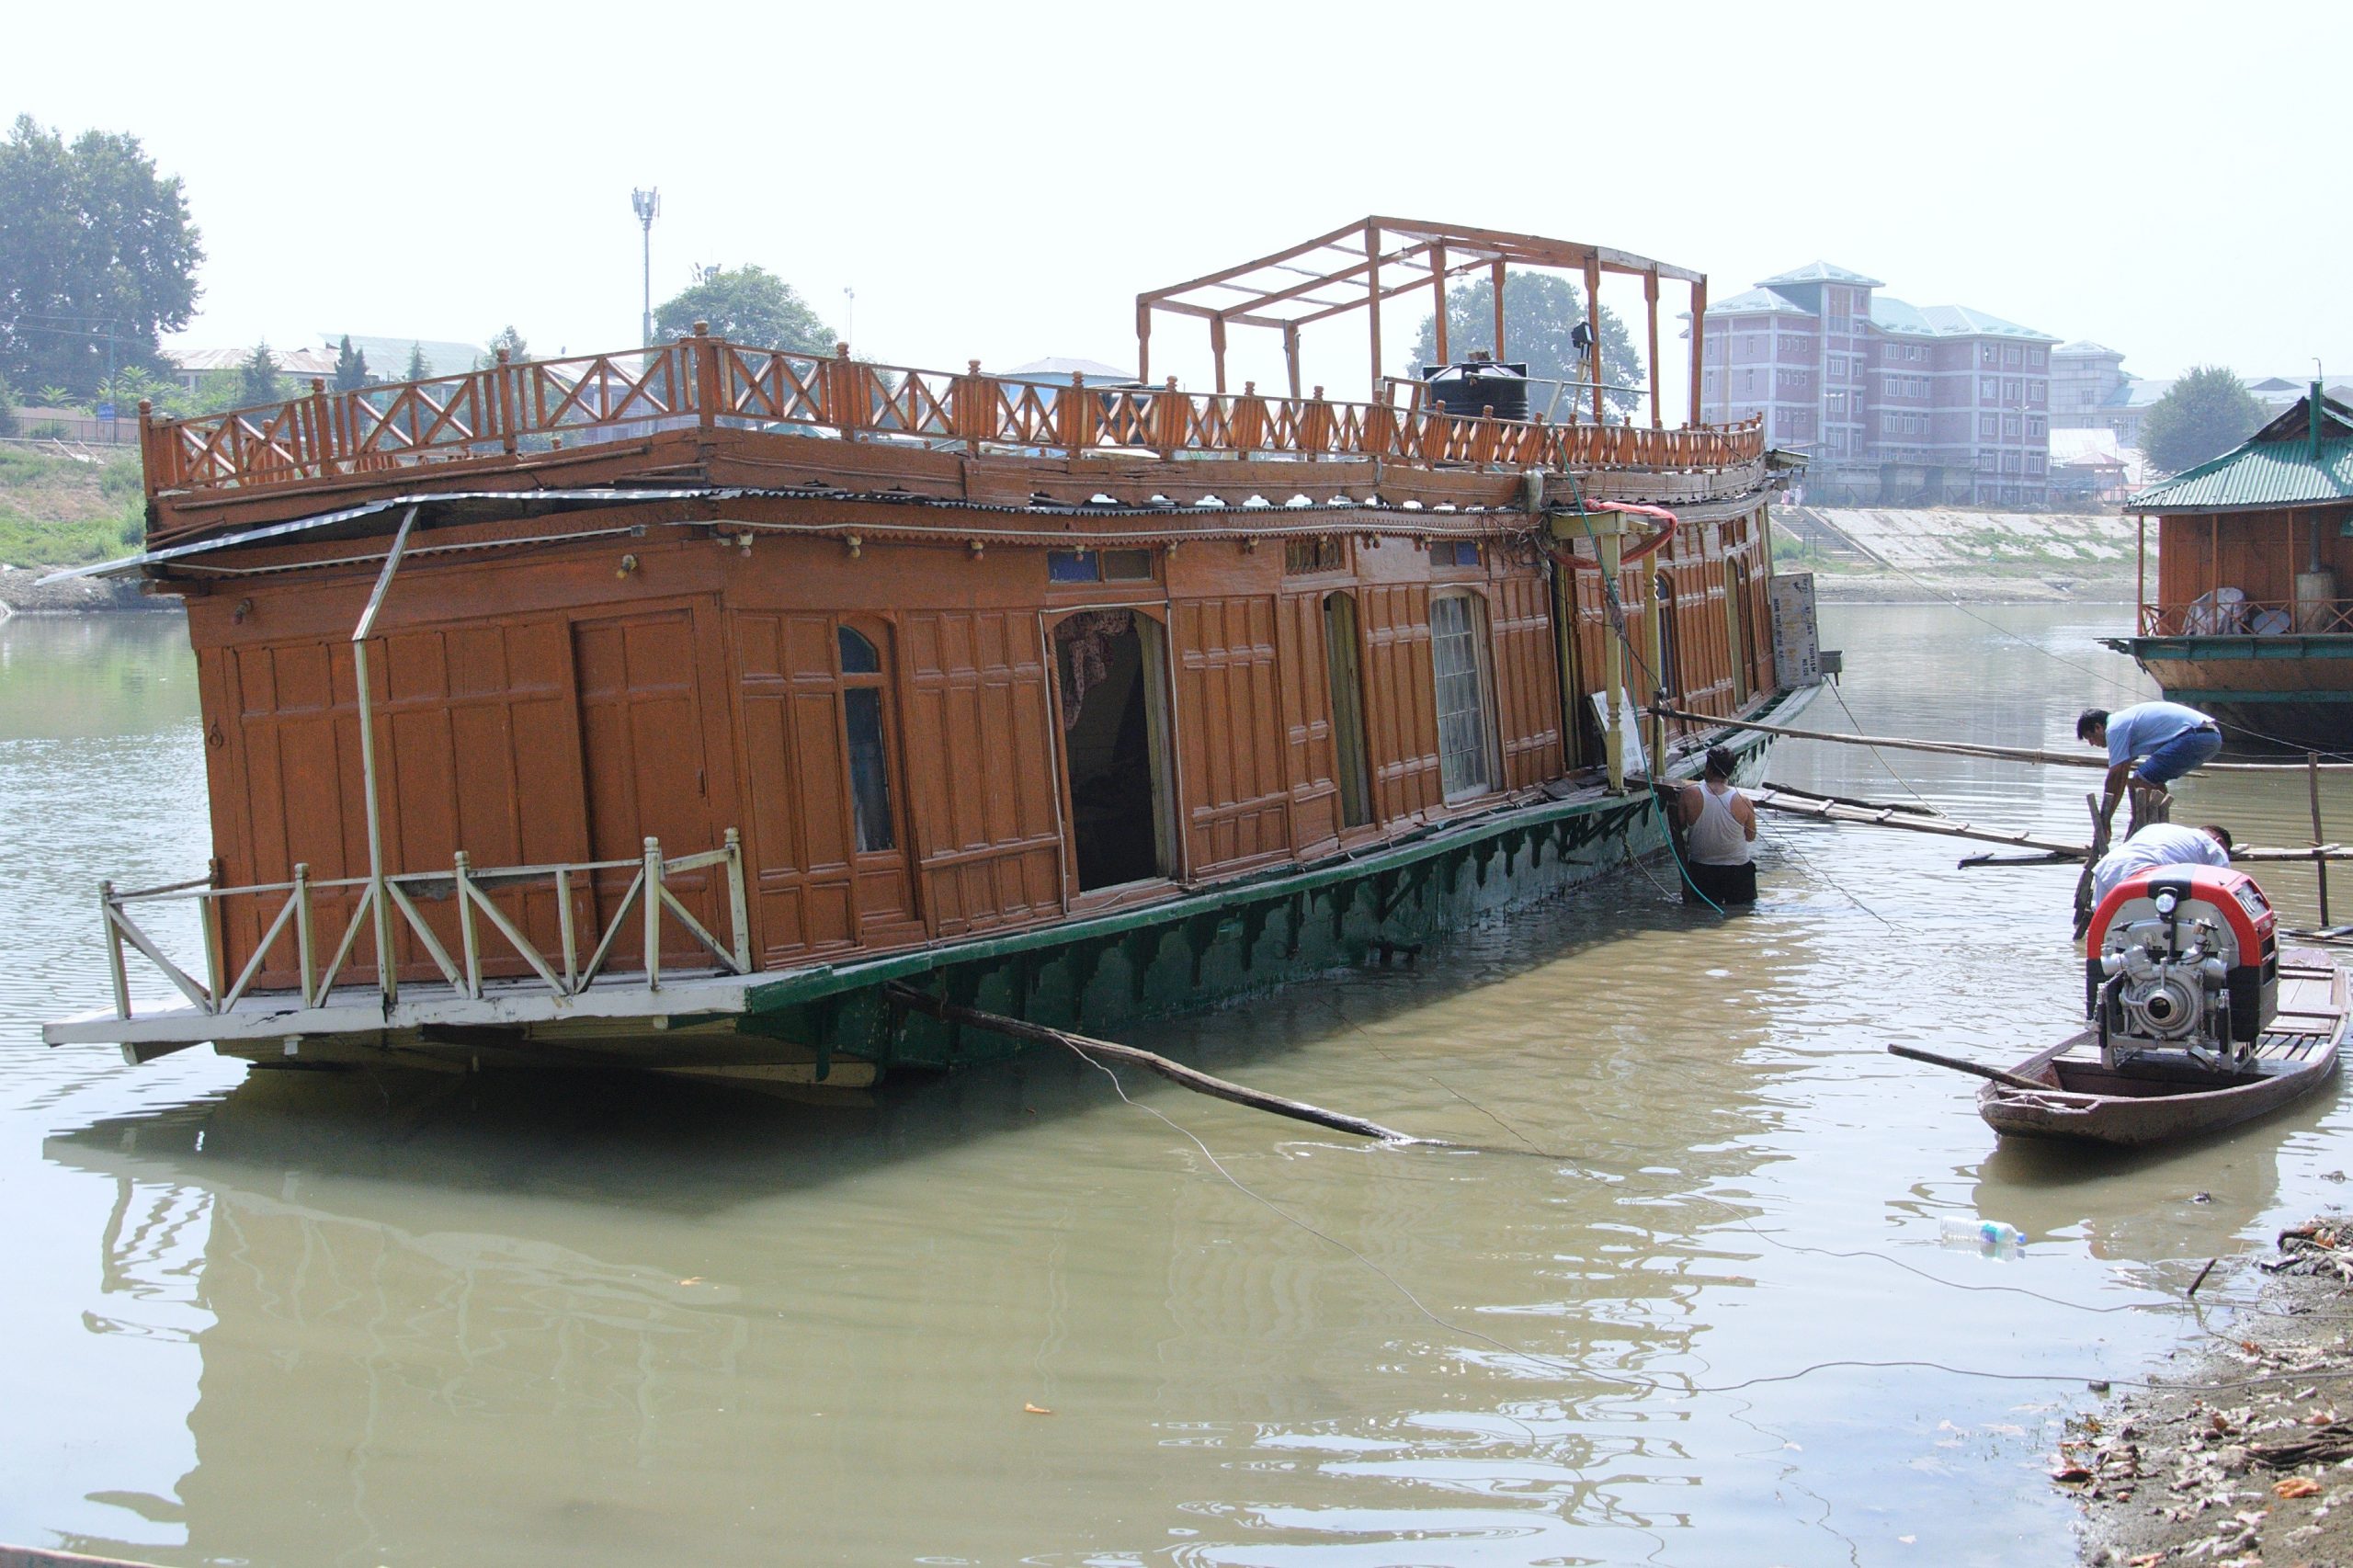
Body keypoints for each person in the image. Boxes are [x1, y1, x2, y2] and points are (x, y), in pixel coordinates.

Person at [2076, 701, 2224, 831]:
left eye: (2090, 737)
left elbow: (2115, 777)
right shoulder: (2123, 724)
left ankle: (2139, 829)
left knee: (2141, 780)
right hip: (2209, 735)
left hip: (2196, 736)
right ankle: (2158, 827)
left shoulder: (2115, 728)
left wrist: (2105, 821)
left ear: (2098, 727)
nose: (2091, 743)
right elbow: (2122, 773)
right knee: (2153, 783)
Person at [1678, 745, 1758, 906]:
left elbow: (1679, 827)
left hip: (1702, 871)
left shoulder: (1689, 794)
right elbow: (1750, 837)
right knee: (1741, 916)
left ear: (1708, 768)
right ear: (1730, 771)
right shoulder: (1743, 801)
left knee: (1699, 914)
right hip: (1738, 872)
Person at [2089, 822, 2234, 906]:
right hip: (2147, 872)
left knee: (2104, 929)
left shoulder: (2158, 828)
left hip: (2108, 866)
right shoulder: (2215, 848)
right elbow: (2222, 891)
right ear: (2220, 842)